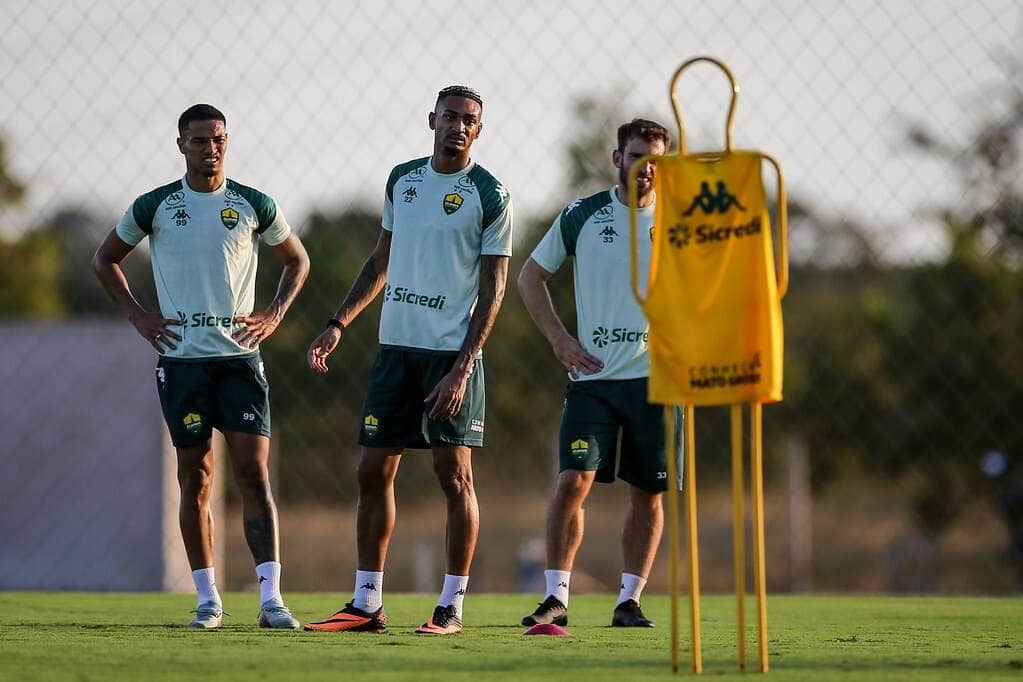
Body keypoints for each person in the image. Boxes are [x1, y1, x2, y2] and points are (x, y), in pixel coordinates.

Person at [92, 104, 310, 630]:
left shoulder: (253, 204)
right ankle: (208, 599)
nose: (210, 148)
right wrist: (138, 315)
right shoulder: (157, 205)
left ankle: (270, 599)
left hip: (238, 359)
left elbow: (296, 259)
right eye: (200, 140)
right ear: (181, 144)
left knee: (254, 473)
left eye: (218, 139)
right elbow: (105, 258)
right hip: (182, 361)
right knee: (196, 477)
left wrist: (274, 314)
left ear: (226, 142)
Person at [305, 85, 512, 636]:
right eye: (449, 117)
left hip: (450, 357)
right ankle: (366, 602)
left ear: (479, 130)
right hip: (395, 351)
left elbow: (494, 289)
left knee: (454, 477)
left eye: (469, 120)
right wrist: (338, 323)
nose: (458, 126)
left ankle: (451, 607)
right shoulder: (404, 179)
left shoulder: (490, 194)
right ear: (432, 120)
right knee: (373, 471)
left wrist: (464, 366)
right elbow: (381, 260)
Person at [517, 118, 677, 628]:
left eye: (655, 161)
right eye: (636, 157)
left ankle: (628, 601)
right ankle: (556, 597)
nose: (646, 169)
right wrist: (561, 341)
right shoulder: (582, 216)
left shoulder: (682, 223)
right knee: (573, 481)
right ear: (617, 160)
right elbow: (530, 276)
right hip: (593, 379)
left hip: (658, 380)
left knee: (648, 493)